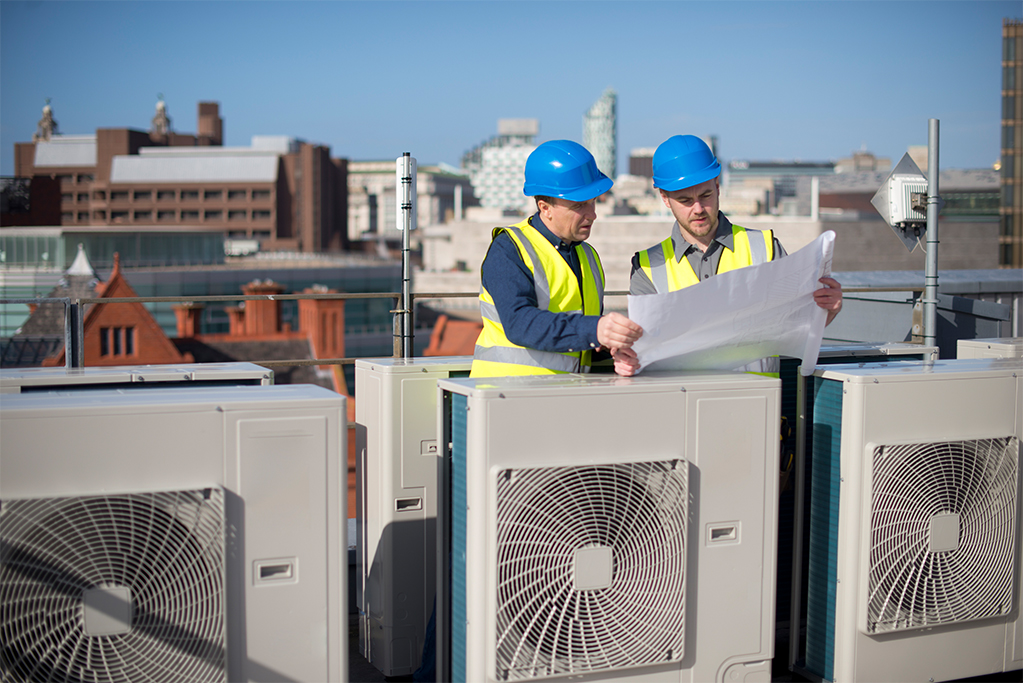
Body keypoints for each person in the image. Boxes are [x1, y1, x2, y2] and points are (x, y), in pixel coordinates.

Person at [626, 134, 843, 375]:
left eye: (705, 196)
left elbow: (796, 328)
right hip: (685, 404)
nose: (698, 209)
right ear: (665, 199)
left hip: (759, 403)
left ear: (717, 187)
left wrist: (826, 311)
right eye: (685, 200)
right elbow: (642, 352)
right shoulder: (646, 268)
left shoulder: (766, 248)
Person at [470, 139, 643, 378]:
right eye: (579, 205)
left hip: (564, 396)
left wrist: (610, 347)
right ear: (545, 207)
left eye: (593, 202)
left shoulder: (588, 255)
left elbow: (577, 340)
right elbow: (519, 323)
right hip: (505, 395)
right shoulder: (509, 248)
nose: (592, 214)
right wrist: (596, 329)